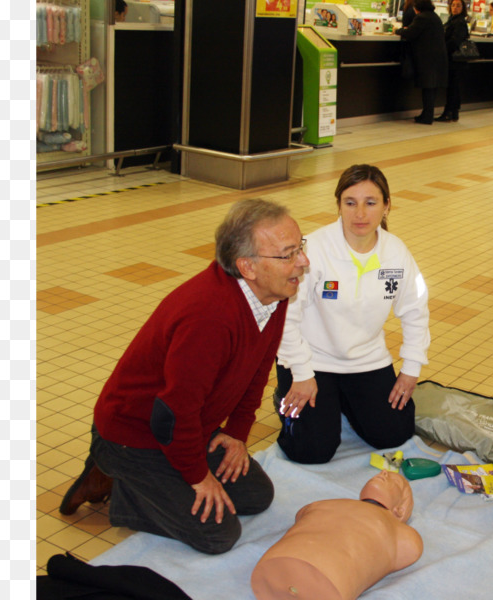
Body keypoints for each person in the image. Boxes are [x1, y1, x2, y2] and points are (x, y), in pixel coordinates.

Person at [58, 199, 310, 555]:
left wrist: (237, 434)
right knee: (217, 534)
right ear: (247, 267)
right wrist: (196, 476)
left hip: (187, 425)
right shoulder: (208, 317)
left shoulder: (275, 293)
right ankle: (114, 473)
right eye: (288, 255)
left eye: (300, 247)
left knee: (256, 495)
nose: (303, 262)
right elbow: (172, 414)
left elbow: (257, 372)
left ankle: (150, 478)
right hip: (135, 433)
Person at [274, 164, 430, 465]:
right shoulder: (314, 249)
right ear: (339, 205)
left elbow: (416, 310)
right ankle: (287, 396)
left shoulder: (397, 252)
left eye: (370, 203)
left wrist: (411, 367)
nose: (360, 213)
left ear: (386, 206)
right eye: (350, 202)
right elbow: (286, 317)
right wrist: (302, 374)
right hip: (311, 360)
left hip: (367, 361)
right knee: (311, 451)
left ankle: (341, 401)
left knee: (395, 433)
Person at [250, 470, 423, 600]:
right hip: (284, 563)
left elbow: (301, 515)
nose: (384, 473)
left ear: (399, 510)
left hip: (325, 576)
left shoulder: (398, 531)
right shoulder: (325, 503)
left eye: (394, 482)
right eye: (383, 473)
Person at [396, 0, 448, 125]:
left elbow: (410, 33)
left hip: (428, 59)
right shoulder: (434, 16)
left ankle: (427, 116)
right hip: (436, 58)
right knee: (431, 88)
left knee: (428, 87)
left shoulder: (422, 17)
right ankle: (427, 114)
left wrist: (397, 31)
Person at [437, 0, 470, 122]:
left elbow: (455, 41)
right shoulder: (453, 20)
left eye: (458, 6)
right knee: (453, 86)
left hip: (455, 59)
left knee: (452, 86)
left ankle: (449, 112)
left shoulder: (459, 22)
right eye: (453, 5)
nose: (455, 8)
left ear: (463, 8)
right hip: (455, 60)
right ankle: (453, 112)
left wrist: (444, 49)